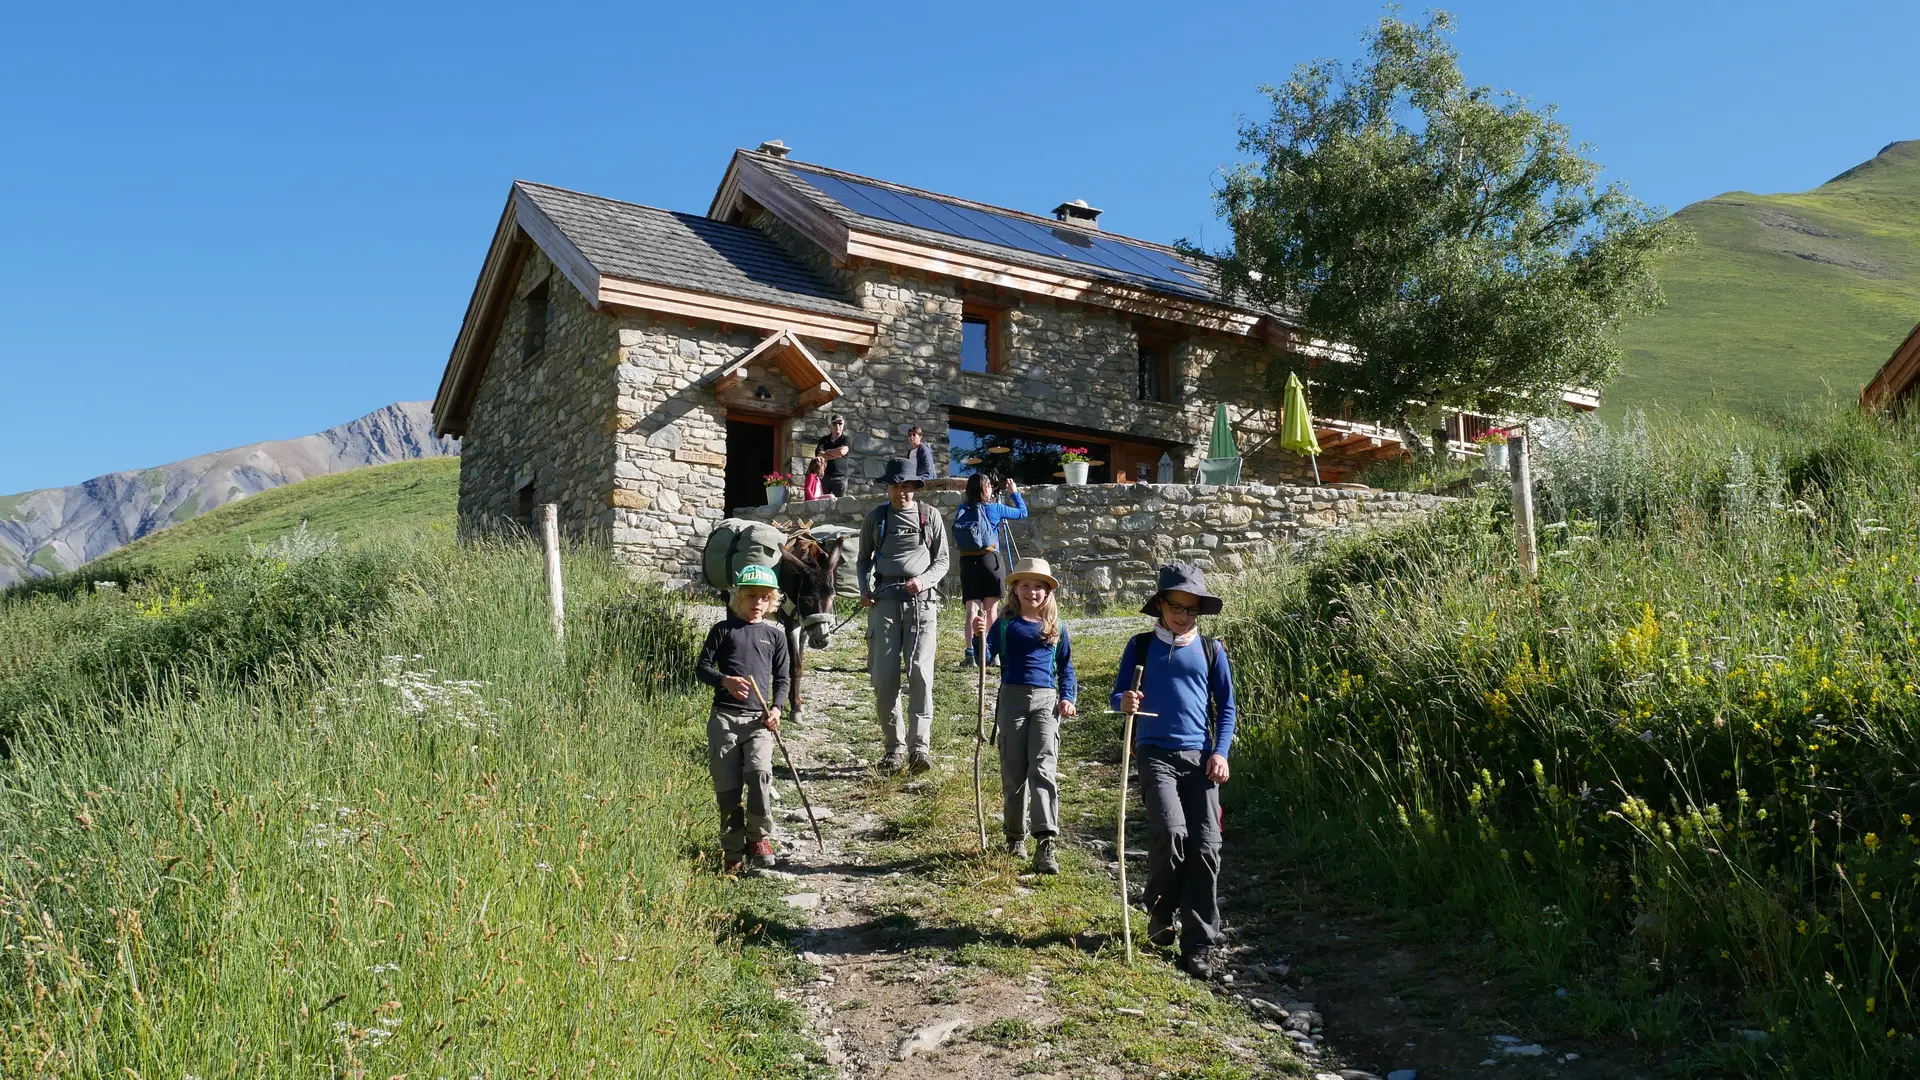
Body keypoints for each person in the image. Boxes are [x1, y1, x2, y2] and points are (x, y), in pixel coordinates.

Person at [1111, 562, 1238, 980]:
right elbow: (1117, 696)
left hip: (1200, 759)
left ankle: (1199, 943)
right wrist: (1125, 702)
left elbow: (1227, 709)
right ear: (1160, 605)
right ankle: (1161, 908)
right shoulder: (1141, 646)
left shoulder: (1211, 650)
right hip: (1154, 753)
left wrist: (1219, 753)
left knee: (1206, 846)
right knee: (1170, 833)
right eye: (1175, 606)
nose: (1183, 616)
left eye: (1191, 609)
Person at [972, 558, 1077, 874]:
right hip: (1012, 700)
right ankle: (1014, 837)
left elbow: (1067, 668)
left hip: (1046, 702)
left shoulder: (1057, 627)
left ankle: (1045, 844)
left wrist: (1068, 698)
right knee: (1014, 773)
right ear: (1015, 589)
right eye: (1026, 585)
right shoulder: (1004, 625)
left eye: (1039, 586)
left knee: (1043, 768)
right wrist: (979, 637)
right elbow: (985, 660)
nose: (1032, 591)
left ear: (1048, 592)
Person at [695, 564, 792, 873]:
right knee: (727, 787)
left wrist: (776, 709)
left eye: (765, 597)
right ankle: (732, 849)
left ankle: (758, 837)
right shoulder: (723, 630)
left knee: (760, 775)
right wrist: (725, 680)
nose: (757, 603)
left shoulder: (775, 635)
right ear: (738, 597)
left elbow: (783, 679)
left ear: (773, 601)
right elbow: (702, 668)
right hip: (724, 719)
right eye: (751, 596)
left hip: (759, 722)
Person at [857, 456, 949, 774]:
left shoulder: (930, 517)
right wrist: (864, 588)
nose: (902, 493)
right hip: (883, 604)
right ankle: (894, 748)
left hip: (922, 605)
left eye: (907, 486)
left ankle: (919, 748)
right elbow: (862, 560)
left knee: (921, 676)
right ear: (889, 488)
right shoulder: (876, 518)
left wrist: (922, 581)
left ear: (915, 487)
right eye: (896, 486)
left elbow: (943, 561)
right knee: (884, 679)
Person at [953, 473, 1029, 667]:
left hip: (968, 562)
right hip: (990, 560)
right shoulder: (994, 508)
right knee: (991, 609)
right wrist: (1014, 493)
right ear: (986, 489)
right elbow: (1022, 512)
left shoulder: (962, 509)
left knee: (972, 609)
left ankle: (970, 654)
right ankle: (991, 653)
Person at [816, 415, 853, 497]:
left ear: (843, 425)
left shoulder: (846, 439)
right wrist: (836, 454)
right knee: (823, 504)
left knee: (840, 505)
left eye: (840, 423)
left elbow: (842, 451)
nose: (837, 426)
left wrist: (827, 452)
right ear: (831, 425)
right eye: (835, 423)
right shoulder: (824, 440)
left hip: (840, 478)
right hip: (825, 477)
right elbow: (819, 454)